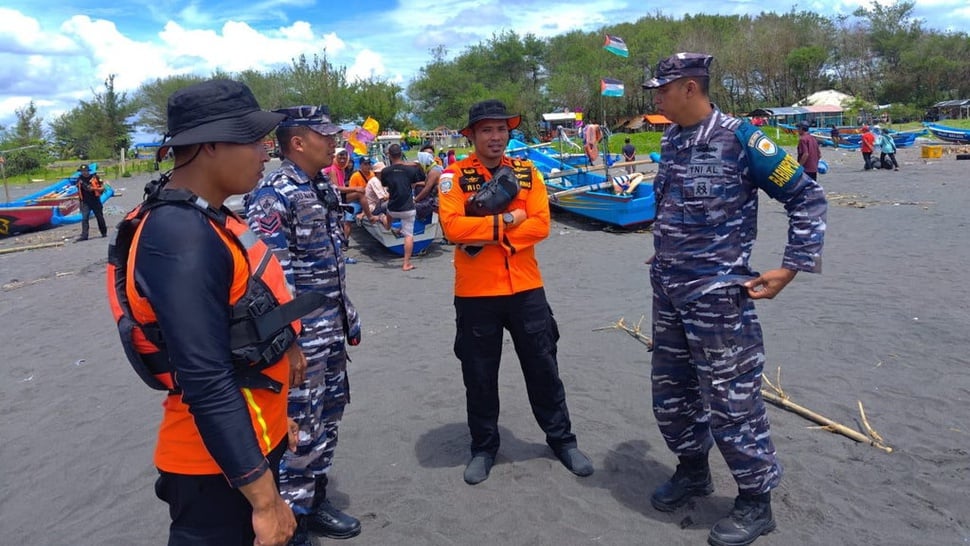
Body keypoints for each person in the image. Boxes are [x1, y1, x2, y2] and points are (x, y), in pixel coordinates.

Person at [642, 53, 827, 546]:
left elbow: (807, 199)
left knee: (732, 400)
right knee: (671, 394)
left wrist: (790, 268)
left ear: (688, 87)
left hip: (720, 298)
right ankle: (693, 470)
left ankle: (755, 500)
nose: (655, 97)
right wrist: (665, 252)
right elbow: (679, 210)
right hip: (670, 292)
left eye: (661, 89)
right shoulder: (674, 139)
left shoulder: (744, 138)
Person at [107, 79, 301, 546]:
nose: (264, 154)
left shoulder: (208, 216)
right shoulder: (179, 235)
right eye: (254, 141)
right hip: (215, 468)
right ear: (210, 145)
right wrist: (265, 500)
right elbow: (206, 378)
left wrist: (276, 418)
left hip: (246, 440)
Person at [438, 98, 594, 486]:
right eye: (487, 130)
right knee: (479, 373)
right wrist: (509, 218)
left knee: (544, 366)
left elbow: (541, 224)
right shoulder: (453, 176)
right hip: (475, 293)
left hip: (526, 288)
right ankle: (484, 447)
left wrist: (497, 236)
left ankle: (562, 440)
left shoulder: (527, 173)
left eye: (501, 129)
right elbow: (453, 229)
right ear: (472, 135)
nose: (495, 137)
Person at [245, 105, 363, 546]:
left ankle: (313, 501)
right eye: (326, 135)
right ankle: (289, 518)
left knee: (329, 415)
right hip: (301, 339)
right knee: (299, 424)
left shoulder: (320, 186)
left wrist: (346, 314)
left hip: (329, 328)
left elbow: (331, 263)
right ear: (297, 142)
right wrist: (289, 340)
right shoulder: (274, 194)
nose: (334, 142)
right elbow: (274, 278)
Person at [381, 143, 425, 271]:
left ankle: (386, 223)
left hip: (393, 208)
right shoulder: (411, 170)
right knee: (409, 235)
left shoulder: (385, 171)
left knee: (388, 218)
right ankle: (406, 263)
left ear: (389, 155)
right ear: (401, 154)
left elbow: (385, 184)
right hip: (407, 208)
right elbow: (417, 180)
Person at [324, 149, 362, 257]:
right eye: (340, 157)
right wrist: (355, 188)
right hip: (336, 199)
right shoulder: (333, 169)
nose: (342, 160)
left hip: (341, 198)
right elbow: (337, 188)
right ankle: (369, 215)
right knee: (360, 193)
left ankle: (344, 241)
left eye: (344, 157)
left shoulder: (341, 169)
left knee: (345, 221)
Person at [75, 163, 107, 241]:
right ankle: (84, 235)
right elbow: (81, 189)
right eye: (82, 171)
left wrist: (95, 189)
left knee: (99, 217)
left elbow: (102, 187)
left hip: (95, 200)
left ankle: (103, 232)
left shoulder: (95, 177)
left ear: (88, 171)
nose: (84, 172)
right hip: (85, 202)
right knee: (84, 218)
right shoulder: (79, 180)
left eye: (85, 171)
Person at [414, 144, 442, 221]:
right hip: (433, 199)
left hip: (436, 202)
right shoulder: (432, 169)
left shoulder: (433, 171)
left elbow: (426, 189)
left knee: (412, 209)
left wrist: (415, 200)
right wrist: (417, 184)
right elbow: (427, 183)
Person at [361, 161, 391, 229]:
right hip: (373, 208)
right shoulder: (375, 181)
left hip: (379, 205)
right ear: (377, 173)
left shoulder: (382, 180)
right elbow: (384, 198)